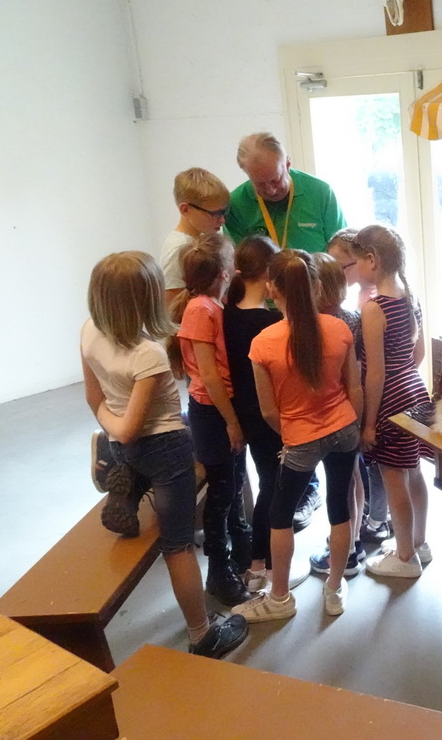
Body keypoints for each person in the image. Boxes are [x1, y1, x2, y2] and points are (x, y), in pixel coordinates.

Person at [80, 251, 248, 658]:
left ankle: (122, 471)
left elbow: (93, 396)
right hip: (163, 448)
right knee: (176, 546)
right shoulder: (148, 355)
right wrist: (119, 431)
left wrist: (113, 431)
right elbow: (132, 425)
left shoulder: (88, 331)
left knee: (134, 444)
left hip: (128, 444)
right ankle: (202, 634)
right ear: (147, 298)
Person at [225, 132, 348, 530]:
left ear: (288, 163)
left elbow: (337, 254)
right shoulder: (239, 203)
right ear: (246, 177)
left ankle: (331, 483)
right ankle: (302, 480)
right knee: (286, 402)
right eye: (261, 184)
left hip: (318, 315)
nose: (271, 188)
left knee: (325, 395)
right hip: (271, 320)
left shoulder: (321, 193)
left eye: (276, 179)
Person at [233, 250, 362, 621]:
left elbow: (269, 410)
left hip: (300, 438)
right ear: (317, 285)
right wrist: (357, 426)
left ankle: (279, 599)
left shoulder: (263, 343)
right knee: (339, 509)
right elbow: (354, 389)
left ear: (273, 289)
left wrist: (290, 435)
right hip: (343, 429)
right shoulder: (339, 328)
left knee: (280, 514)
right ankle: (335, 589)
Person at [167, 233, 252, 608]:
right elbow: (209, 375)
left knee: (233, 485)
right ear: (223, 272)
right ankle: (219, 570)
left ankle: (239, 551)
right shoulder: (201, 309)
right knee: (220, 494)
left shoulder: (210, 304)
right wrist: (232, 421)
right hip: (213, 412)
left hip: (221, 409)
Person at [223, 236, 309, 593]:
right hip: (274, 414)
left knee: (268, 483)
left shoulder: (228, 313)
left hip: (246, 412)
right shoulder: (271, 321)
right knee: (275, 488)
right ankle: (266, 564)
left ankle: (260, 561)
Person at [349, 225, 433, 579]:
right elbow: (418, 352)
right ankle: (418, 543)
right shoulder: (409, 295)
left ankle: (404, 557)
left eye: (355, 263)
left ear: (372, 259)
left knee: (393, 476)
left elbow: (375, 374)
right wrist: (405, 377)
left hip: (390, 399)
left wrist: (368, 424)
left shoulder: (374, 308)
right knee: (413, 471)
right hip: (414, 389)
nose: (353, 272)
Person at [327, 231, 392, 543]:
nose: (336, 273)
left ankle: (378, 517)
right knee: (366, 462)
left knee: (376, 459)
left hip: (372, 391)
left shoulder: (372, 303)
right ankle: (372, 514)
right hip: (363, 388)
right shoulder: (359, 298)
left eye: (340, 266)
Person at [310, 253, 367, 579]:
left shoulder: (321, 325)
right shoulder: (354, 318)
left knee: (340, 484)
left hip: (333, 408)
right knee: (353, 476)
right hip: (353, 404)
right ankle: (354, 539)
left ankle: (343, 553)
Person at [160, 168, 230, 305]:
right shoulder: (178, 248)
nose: (222, 220)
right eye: (215, 213)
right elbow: (174, 308)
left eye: (224, 212)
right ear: (185, 209)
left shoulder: (199, 240)